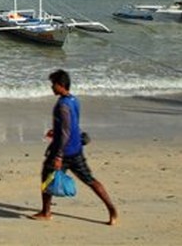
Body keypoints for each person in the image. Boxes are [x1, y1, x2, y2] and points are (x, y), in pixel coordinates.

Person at [31, 69, 118, 225]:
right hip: (76, 149)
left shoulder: (62, 105)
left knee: (47, 177)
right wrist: (55, 130)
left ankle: (46, 212)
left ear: (61, 85)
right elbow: (71, 125)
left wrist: (58, 156)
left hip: (63, 152)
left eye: (53, 84)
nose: (52, 87)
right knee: (89, 180)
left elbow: (65, 131)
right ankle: (112, 209)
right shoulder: (73, 100)